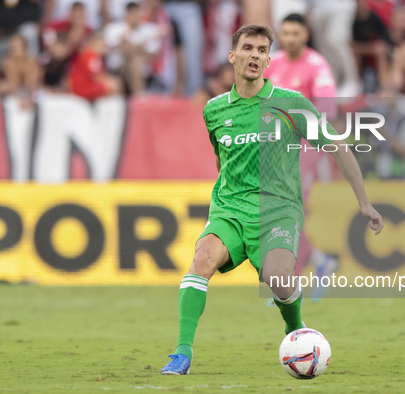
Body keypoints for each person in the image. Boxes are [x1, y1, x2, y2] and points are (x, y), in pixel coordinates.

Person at [160, 23, 383, 375]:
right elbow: (222, 158)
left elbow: (337, 146)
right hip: (230, 208)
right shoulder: (214, 110)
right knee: (202, 260)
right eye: (248, 48)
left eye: (262, 50)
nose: (255, 55)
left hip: (278, 209)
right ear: (232, 56)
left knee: (278, 279)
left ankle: (295, 328)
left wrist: (364, 201)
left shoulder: (290, 103)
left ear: (267, 61)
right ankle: (181, 353)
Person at [263, 13, 339, 299]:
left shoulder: (316, 65)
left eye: (295, 33)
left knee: (290, 210)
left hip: (302, 146)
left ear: (306, 35)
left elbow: (327, 109)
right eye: (285, 33)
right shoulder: (274, 63)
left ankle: (290, 284)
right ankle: (320, 263)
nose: (290, 38)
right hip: (273, 149)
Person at [104, 2, 161, 94]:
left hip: (142, 71)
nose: (135, 17)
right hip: (119, 69)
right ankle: (139, 95)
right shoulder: (114, 29)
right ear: (127, 14)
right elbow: (110, 49)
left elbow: (153, 55)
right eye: (132, 13)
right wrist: (141, 44)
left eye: (137, 13)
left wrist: (128, 45)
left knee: (135, 60)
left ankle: (138, 95)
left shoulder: (149, 29)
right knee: (134, 59)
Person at [67, 32, 122, 101]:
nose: (104, 48)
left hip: (82, 86)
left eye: (105, 46)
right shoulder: (91, 56)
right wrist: (112, 81)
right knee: (114, 85)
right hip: (83, 88)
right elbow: (97, 76)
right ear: (94, 43)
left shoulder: (91, 54)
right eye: (102, 45)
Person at [0, 33, 39, 108]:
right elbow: (12, 81)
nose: (18, 51)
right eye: (15, 48)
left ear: (25, 47)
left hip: (30, 90)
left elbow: (33, 82)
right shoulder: (8, 61)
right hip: (16, 90)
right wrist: (19, 98)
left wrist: (29, 98)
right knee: (0, 85)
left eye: (20, 47)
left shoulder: (32, 61)